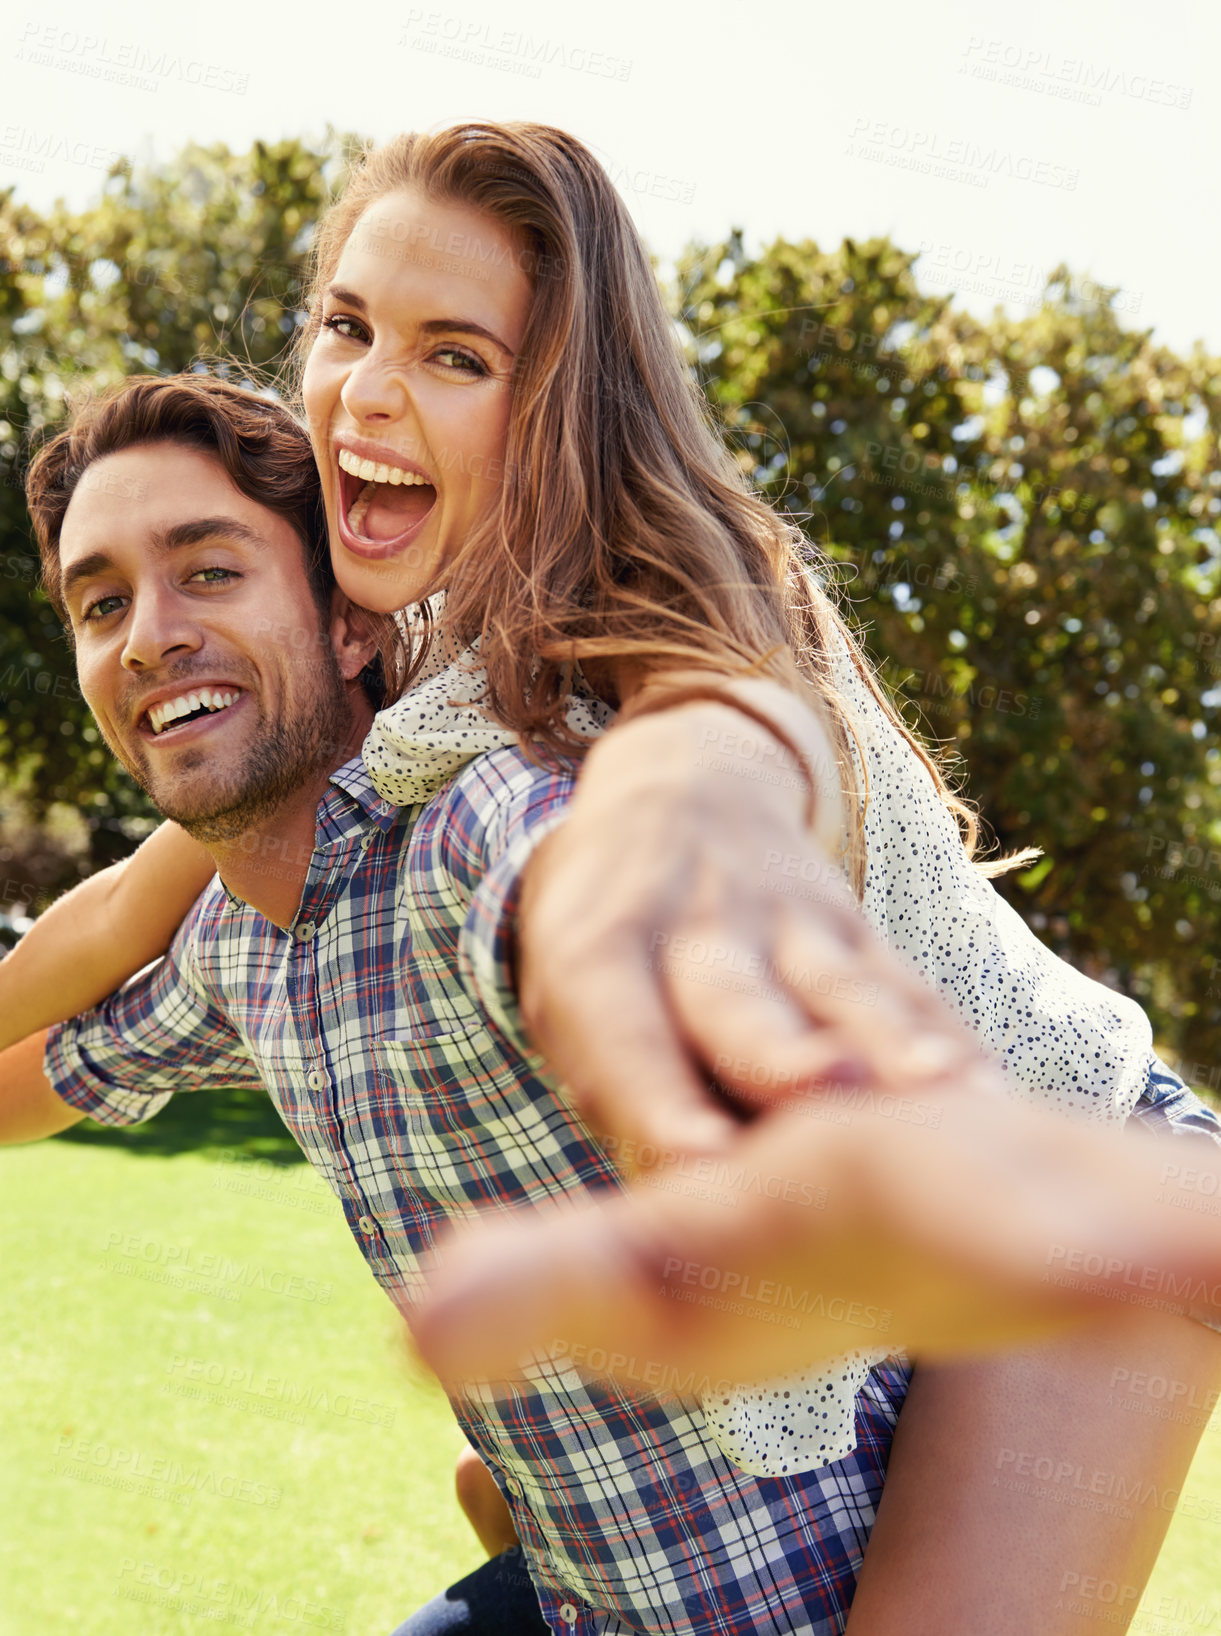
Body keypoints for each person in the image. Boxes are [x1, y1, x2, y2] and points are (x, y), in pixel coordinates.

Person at [6, 118, 1220, 1631]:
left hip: (1073, 1166)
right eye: (346, 328)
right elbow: (126, 906)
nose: (370, 392)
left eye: (456, 355)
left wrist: (667, 884)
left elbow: (707, 768)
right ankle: (542, 1546)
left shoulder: (658, 615)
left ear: (555, 401)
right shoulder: (410, 681)